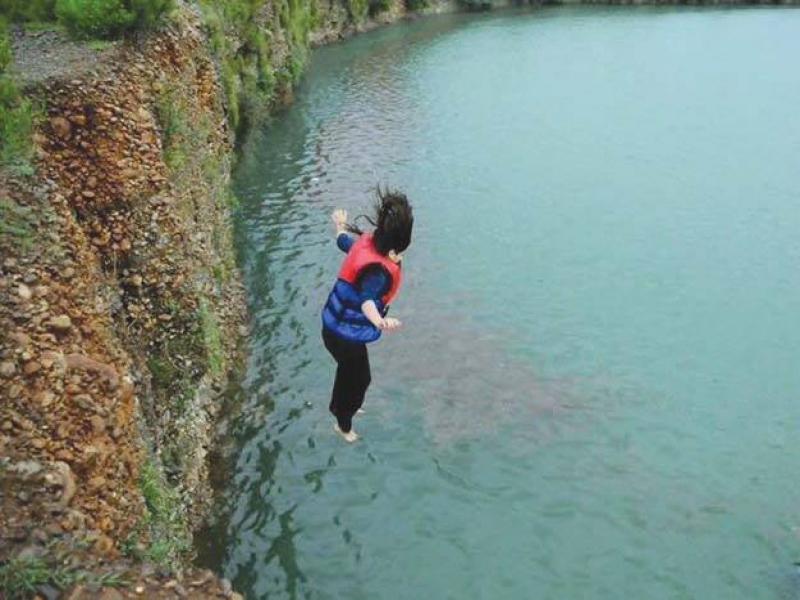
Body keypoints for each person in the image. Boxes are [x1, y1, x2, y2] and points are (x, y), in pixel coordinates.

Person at [321, 188, 414, 442]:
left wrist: (339, 226)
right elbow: (367, 301)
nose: (400, 257)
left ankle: (345, 404)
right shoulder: (377, 272)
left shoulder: (368, 245)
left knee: (350, 374)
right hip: (344, 335)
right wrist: (379, 321)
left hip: (334, 328)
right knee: (361, 378)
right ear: (394, 248)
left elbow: (344, 243)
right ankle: (343, 425)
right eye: (400, 252)